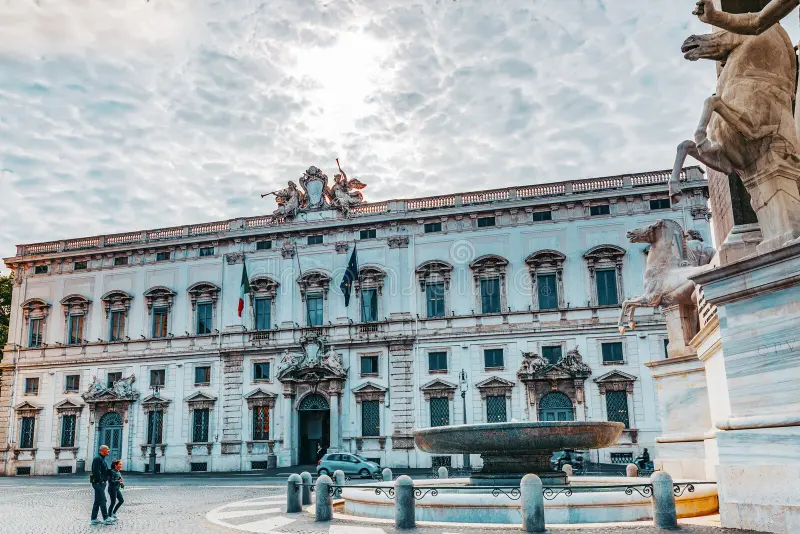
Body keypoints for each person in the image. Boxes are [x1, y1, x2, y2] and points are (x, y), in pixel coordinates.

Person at [90, 445, 116, 525]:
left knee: (97, 501)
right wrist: (101, 481)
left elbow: (102, 470)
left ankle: (93, 519)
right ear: (102, 450)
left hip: (99, 483)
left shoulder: (101, 459)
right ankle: (106, 518)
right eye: (107, 449)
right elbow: (96, 471)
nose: (109, 450)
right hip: (98, 483)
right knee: (103, 499)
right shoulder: (98, 459)